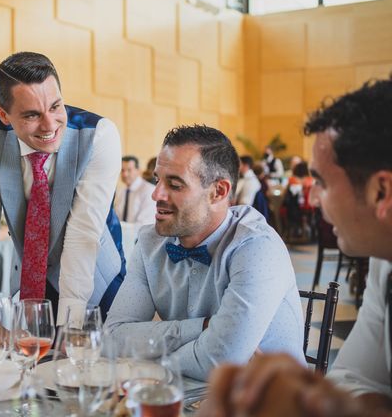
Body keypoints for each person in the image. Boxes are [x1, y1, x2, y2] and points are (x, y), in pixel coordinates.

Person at [199, 77, 392, 417]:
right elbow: (357, 376)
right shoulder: (384, 260)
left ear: (380, 192)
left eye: (321, 182)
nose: (312, 197)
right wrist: (314, 400)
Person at [105, 125, 304, 381]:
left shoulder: (257, 247)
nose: (156, 195)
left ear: (218, 192)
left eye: (175, 185)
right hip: (185, 398)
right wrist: (203, 328)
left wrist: (153, 354)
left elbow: (217, 364)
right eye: (157, 180)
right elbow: (113, 337)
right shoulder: (149, 242)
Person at [0, 51, 125, 325]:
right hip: (32, 281)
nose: (50, 125)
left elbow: (82, 234)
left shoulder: (100, 135)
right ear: (4, 114)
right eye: (31, 115)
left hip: (96, 278)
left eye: (55, 106)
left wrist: (69, 325)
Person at [114, 155, 156, 225]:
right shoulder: (121, 191)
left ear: (138, 170)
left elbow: (143, 224)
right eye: (122, 170)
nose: (125, 174)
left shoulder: (149, 191)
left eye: (129, 170)